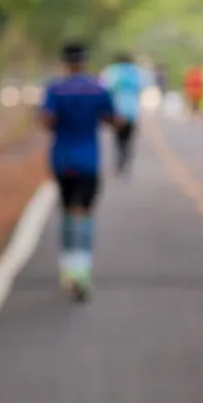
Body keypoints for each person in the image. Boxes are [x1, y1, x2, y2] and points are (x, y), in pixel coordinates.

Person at [40, 42, 119, 301]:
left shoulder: (55, 89)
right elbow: (112, 120)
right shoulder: (98, 89)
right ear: (85, 61)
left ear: (65, 62)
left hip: (62, 159)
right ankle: (81, 268)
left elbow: (46, 121)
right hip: (88, 161)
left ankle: (67, 267)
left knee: (65, 209)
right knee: (84, 211)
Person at [100, 52, 146, 175]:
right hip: (131, 111)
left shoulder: (112, 72)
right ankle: (125, 158)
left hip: (116, 110)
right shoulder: (136, 72)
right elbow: (141, 88)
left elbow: (104, 88)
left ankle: (120, 159)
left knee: (118, 137)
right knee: (128, 138)